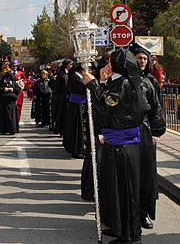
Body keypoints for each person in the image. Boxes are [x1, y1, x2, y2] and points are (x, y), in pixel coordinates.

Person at [82, 50, 151, 244]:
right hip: (116, 143)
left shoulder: (124, 83)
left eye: (110, 62)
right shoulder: (119, 82)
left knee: (126, 190)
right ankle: (120, 227)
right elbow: (108, 103)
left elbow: (107, 105)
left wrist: (93, 84)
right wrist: (102, 83)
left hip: (124, 145)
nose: (107, 65)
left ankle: (130, 234)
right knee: (115, 188)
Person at [130, 44, 166, 230]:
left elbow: (157, 109)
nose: (142, 61)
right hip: (128, 135)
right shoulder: (126, 80)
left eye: (145, 59)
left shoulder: (151, 81)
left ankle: (144, 214)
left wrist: (156, 133)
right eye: (139, 58)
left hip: (146, 134)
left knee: (146, 176)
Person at [63, 62, 86, 159]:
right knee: (77, 128)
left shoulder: (77, 77)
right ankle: (76, 150)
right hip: (76, 106)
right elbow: (84, 88)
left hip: (80, 105)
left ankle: (80, 148)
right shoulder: (75, 78)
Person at [52, 59, 72, 135]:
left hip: (69, 97)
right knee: (62, 114)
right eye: (70, 64)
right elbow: (57, 86)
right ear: (67, 65)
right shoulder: (61, 74)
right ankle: (61, 130)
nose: (71, 66)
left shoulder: (71, 74)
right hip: (62, 97)